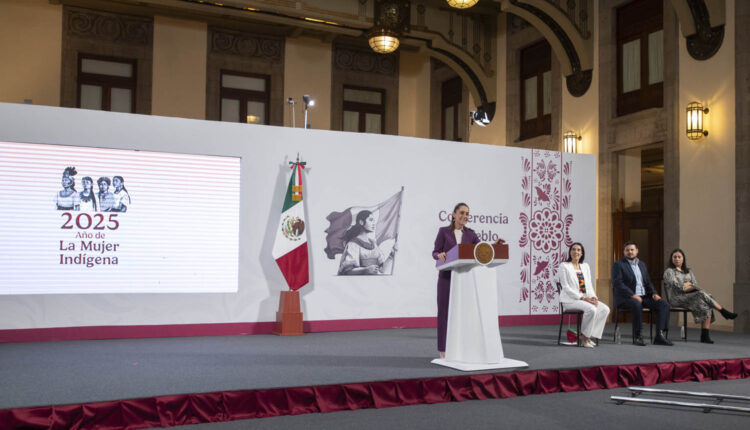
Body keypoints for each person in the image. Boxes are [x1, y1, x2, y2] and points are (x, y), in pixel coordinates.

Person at [432, 202, 503, 358]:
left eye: (467, 214)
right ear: (454, 214)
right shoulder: (443, 231)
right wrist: (439, 255)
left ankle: (461, 348)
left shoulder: (471, 234)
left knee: (463, 313)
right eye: (462, 213)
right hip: (446, 278)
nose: (465, 216)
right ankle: (443, 349)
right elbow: (435, 251)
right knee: (444, 313)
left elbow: (481, 250)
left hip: (464, 279)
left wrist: (494, 246)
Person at [663, 249, 738, 343]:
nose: (677, 259)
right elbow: (676, 285)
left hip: (690, 296)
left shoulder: (688, 271)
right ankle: (722, 311)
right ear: (671, 259)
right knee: (702, 294)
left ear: (683, 259)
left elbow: (694, 284)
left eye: (679, 257)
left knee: (706, 301)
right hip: (676, 298)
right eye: (674, 257)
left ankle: (705, 336)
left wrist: (686, 285)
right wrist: (687, 285)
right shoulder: (669, 271)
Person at [612, 241, 673, 346]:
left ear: (637, 251)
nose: (630, 252)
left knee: (664, 304)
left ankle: (659, 336)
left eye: (632, 250)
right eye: (627, 250)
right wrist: (633, 295)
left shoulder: (642, 264)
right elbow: (618, 283)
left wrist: (654, 293)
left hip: (643, 297)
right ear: (624, 252)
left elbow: (648, 282)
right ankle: (638, 337)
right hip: (626, 298)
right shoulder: (618, 265)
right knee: (636, 303)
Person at [557, 242, 610, 348]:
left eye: (578, 250)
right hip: (570, 300)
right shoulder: (564, 266)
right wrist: (582, 298)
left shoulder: (585, 266)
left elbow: (589, 285)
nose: (576, 252)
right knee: (592, 309)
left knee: (605, 309)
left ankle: (586, 336)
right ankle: (585, 338)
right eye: (573, 249)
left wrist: (594, 297)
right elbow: (566, 287)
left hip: (585, 299)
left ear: (582, 253)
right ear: (570, 252)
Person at [338, 210, 396, 275]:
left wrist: (391, 255)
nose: (374, 223)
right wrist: (366, 270)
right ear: (361, 222)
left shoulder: (373, 243)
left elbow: (382, 270)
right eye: (371, 220)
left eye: (374, 221)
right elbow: (348, 271)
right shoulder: (353, 244)